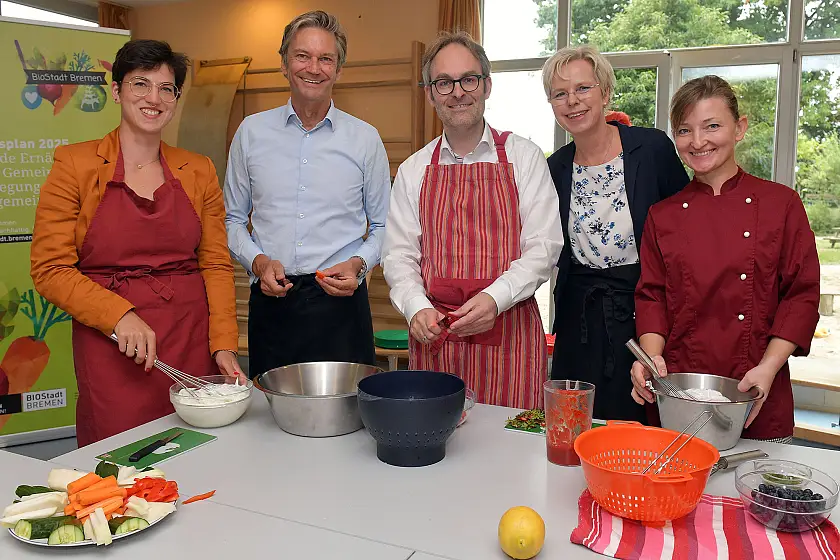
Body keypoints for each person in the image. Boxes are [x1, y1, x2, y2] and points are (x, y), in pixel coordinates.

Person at [29, 40, 242, 447]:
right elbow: (50, 269)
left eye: (166, 89)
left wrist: (224, 346)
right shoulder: (74, 165)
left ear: (176, 99)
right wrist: (118, 315)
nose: (153, 98)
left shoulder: (198, 170)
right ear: (116, 90)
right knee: (120, 461)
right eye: (140, 84)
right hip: (111, 343)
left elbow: (214, 265)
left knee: (193, 452)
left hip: (188, 336)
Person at [631, 75, 820, 442]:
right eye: (685, 130)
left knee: (759, 496)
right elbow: (652, 297)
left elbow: (802, 296)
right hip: (680, 394)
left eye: (712, 126)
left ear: (740, 128)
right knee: (677, 496)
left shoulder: (781, 205)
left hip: (756, 389)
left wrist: (767, 369)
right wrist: (650, 359)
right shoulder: (663, 215)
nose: (698, 141)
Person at [381, 31, 564, 410]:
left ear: (486, 85)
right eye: (443, 83)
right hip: (436, 338)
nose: (457, 92)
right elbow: (398, 255)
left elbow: (543, 247)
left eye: (468, 79)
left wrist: (494, 300)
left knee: (509, 451)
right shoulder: (414, 169)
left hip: (510, 335)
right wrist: (416, 307)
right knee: (436, 446)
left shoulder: (524, 158)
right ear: (430, 93)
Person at [224, 11, 391, 378]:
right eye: (302, 56)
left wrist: (359, 264)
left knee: (348, 420)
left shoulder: (365, 139)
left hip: (341, 305)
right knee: (271, 420)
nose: (313, 68)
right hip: (272, 301)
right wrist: (258, 262)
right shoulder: (250, 134)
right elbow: (233, 219)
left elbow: (383, 225)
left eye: (325, 58)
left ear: (338, 69)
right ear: (284, 63)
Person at [544, 45, 690, 423]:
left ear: (605, 92)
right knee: (576, 426)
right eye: (560, 93)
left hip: (643, 310)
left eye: (583, 88)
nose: (572, 101)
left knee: (639, 427)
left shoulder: (652, 148)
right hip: (579, 315)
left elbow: (684, 225)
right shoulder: (554, 168)